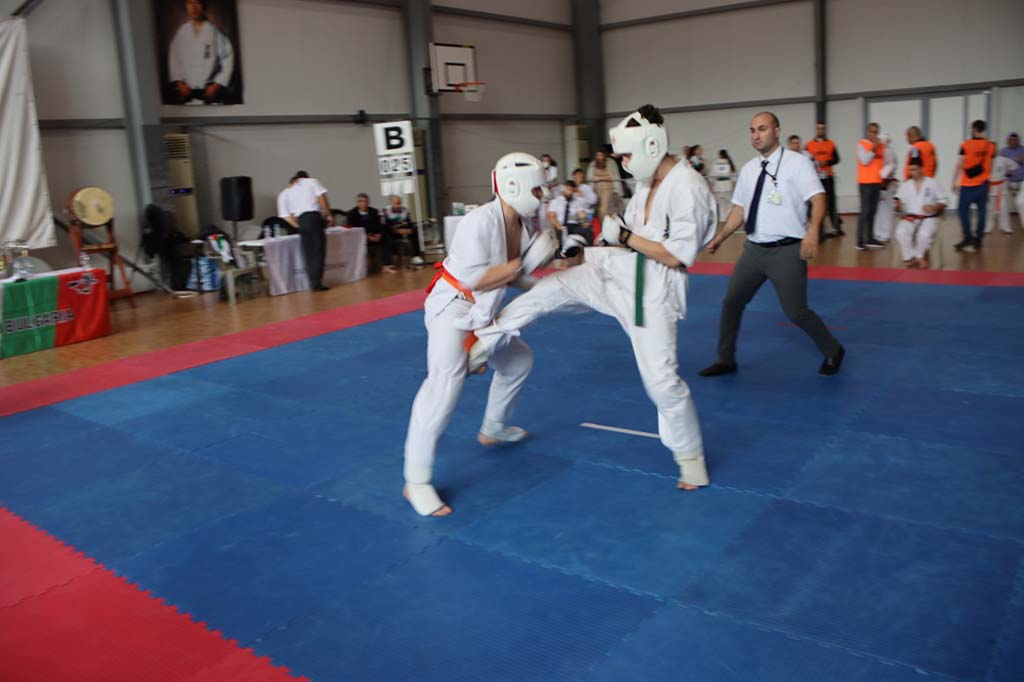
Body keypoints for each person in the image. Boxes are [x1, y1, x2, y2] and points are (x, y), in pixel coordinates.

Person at [469, 105, 717, 491]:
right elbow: (625, 232)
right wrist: (585, 247)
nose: (624, 163)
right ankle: (483, 345)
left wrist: (625, 237)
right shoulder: (648, 181)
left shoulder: (688, 187)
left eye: (627, 155)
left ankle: (690, 457)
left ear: (652, 146)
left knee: (661, 382)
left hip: (650, 292)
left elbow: (676, 255)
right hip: (614, 271)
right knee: (546, 291)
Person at [402, 152, 547, 516]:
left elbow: (515, 278)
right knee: (443, 388)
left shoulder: (524, 226)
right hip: (452, 308)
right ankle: (415, 481)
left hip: (483, 310)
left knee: (518, 361)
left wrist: (554, 280)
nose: (541, 195)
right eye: (537, 189)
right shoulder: (477, 222)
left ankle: (493, 427)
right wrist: (525, 265)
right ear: (514, 186)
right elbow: (474, 278)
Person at [699, 111, 845, 378]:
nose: (756, 135)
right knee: (731, 302)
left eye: (762, 129)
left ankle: (833, 349)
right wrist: (721, 236)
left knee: (796, 312)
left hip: (787, 251)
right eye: (752, 130)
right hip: (754, 250)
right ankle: (725, 359)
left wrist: (813, 232)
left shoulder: (798, 164)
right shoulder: (748, 170)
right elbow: (740, 209)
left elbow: (819, 198)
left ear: (777, 131)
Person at [166, 0, 235, 105]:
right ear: (186, 6)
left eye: (197, 3)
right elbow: (174, 58)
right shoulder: (182, 32)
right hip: (187, 93)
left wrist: (217, 85)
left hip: (210, 94)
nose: (194, 7)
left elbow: (228, 58)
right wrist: (180, 84)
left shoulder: (214, 32)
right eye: (190, 3)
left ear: (204, 6)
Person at [277, 171, 333, 292]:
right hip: (313, 217)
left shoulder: (288, 191)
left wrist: (298, 225)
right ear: (306, 177)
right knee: (318, 250)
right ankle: (317, 282)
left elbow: (286, 215)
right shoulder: (312, 182)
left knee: (308, 252)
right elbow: (321, 198)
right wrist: (328, 214)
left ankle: (312, 282)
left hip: (301, 220)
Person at [952, 120, 998, 252]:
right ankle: (979, 238)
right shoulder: (990, 146)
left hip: (968, 184)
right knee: (982, 211)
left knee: (962, 210)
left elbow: (959, 165)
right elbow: (991, 166)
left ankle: (968, 237)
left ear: (974, 129)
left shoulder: (965, 145)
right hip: (983, 183)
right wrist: (987, 181)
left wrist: (954, 181)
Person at [895, 157, 946, 269]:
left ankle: (919, 256)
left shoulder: (932, 183)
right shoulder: (906, 185)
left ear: (921, 169)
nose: (911, 172)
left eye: (914, 169)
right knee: (901, 231)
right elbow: (898, 200)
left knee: (924, 234)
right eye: (910, 170)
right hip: (911, 217)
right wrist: (897, 205)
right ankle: (910, 257)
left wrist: (933, 207)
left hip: (929, 217)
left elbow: (943, 201)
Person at [805, 122, 843, 235]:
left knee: (831, 202)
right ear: (816, 130)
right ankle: (818, 228)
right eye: (819, 128)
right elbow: (804, 159)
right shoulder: (809, 145)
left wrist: (827, 162)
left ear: (825, 130)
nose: (820, 130)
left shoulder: (831, 143)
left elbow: (837, 159)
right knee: (816, 203)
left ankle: (836, 227)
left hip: (828, 176)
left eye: (822, 129)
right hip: (815, 178)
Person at [855, 122, 886, 250]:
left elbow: (884, 163)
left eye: (876, 132)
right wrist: (874, 147)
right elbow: (865, 160)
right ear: (868, 132)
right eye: (872, 132)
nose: (874, 135)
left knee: (873, 211)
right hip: (865, 182)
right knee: (865, 211)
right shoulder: (861, 144)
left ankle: (870, 238)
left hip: (877, 182)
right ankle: (859, 240)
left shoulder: (881, 146)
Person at [346, 193, 395, 274]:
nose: (363, 203)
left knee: (387, 238)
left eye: (365, 201)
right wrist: (367, 237)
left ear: (368, 202)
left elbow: (380, 225)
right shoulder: (351, 214)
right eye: (360, 201)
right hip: (361, 237)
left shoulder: (374, 211)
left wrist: (379, 235)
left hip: (374, 235)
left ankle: (386, 265)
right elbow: (352, 230)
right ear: (357, 203)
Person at [548, 180, 595, 247]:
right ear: (564, 188)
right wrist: (559, 226)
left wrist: (585, 222)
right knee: (561, 235)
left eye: (572, 190)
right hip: (560, 226)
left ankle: (588, 251)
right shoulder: (555, 201)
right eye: (568, 189)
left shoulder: (576, 201)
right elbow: (551, 216)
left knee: (588, 232)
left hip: (573, 226)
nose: (570, 192)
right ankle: (561, 250)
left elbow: (581, 214)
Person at [987, 143, 1021, 234]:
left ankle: (1005, 227)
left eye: (994, 148)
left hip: (1001, 187)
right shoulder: (985, 160)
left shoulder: (1003, 159)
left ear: (996, 149)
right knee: (990, 209)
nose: (993, 150)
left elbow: (1015, 166)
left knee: (1004, 208)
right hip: (989, 187)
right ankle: (988, 227)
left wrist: (1009, 173)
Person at [383, 195, 425, 265]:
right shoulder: (386, 211)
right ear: (391, 203)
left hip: (403, 230)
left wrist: (409, 229)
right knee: (386, 235)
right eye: (395, 203)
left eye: (399, 203)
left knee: (414, 230)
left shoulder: (405, 210)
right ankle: (388, 262)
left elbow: (409, 223)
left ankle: (415, 256)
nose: (397, 206)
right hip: (392, 232)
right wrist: (397, 231)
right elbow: (386, 226)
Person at [874, 132, 900, 244]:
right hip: (880, 183)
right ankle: (879, 233)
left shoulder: (889, 152)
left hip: (886, 184)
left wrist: (883, 180)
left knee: (885, 209)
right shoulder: (882, 151)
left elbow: (890, 168)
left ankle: (884, 233)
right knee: (881, 209)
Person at [587, 148, 624, 219]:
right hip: (597, 191)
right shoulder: (592, 165)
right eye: (598, 155)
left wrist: (599, 177)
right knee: (599, 211)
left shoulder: (611, 163)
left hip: (609, 190)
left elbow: (614, 176)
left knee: (607, 210)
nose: (599, 157)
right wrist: (603, 177)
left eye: (601, 155)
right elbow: (591, 178)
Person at [1002, 133, 1024, 228]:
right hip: (1008, 180)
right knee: (1005, 204)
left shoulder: (1023, 150)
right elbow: (1000, 165)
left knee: (1021, 202)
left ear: (1018, 141)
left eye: (1014, 140)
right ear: (1008, 141)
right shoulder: (1003, 151)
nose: (1013, 142)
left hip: (1022, 180)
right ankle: (1006, 226)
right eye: (1011, 140)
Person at [710, 150, 736, 223]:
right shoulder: (729, 163)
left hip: (718, 185)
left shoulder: (715, 163)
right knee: (729, 204)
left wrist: (712, 184)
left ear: (719, 155)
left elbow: (712, 175)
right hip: (727, 185)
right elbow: (732, 175)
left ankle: (722, 219)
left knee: (721, 204)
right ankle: (728, 218)